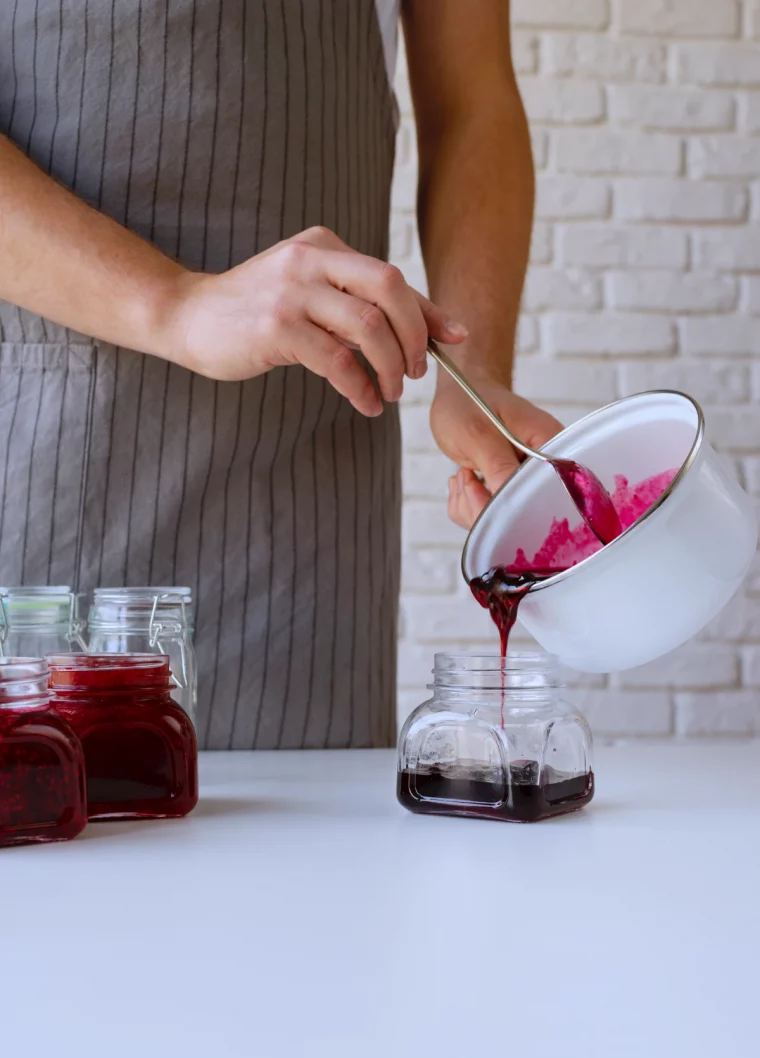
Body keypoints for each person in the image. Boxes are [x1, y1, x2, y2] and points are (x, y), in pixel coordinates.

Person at [0, 0, 561, 750]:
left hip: (310, 504)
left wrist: (475, 373)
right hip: (48, 461)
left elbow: (473, 98)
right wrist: (174, 304)